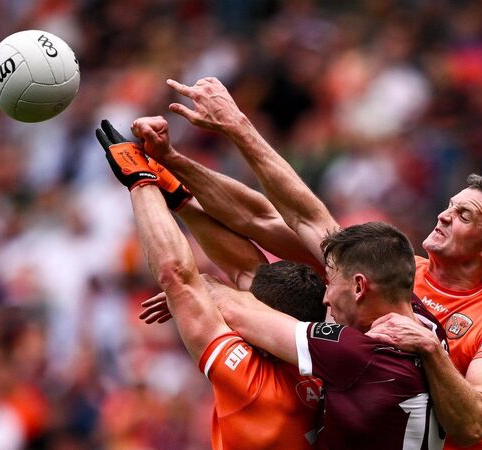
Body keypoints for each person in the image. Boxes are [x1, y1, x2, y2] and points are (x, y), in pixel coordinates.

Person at [144, 76, 482, 449]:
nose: (444, 215)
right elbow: (278, 219)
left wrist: (431, 351)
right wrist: (178, 160)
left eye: (464, 215)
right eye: (450, 206)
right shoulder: (398, 275)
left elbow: (473, 425)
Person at [94, 119, 328, 450]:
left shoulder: (252, 386)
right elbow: (246, 269)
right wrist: (174, 193)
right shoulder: (336, 358)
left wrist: (140, 180)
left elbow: (176, 277)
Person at [203, 221, 446, 450]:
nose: (325, 298)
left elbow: (238, 311)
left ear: (359, 286)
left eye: (330, 282)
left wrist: (203, 284)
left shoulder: (356, 353)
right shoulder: (429, 325)